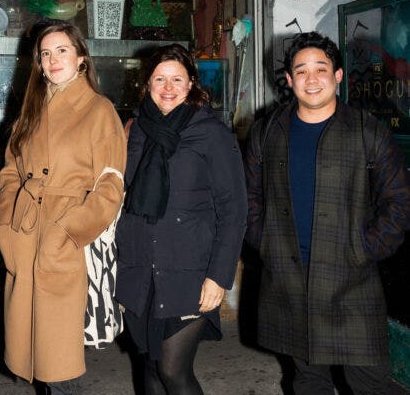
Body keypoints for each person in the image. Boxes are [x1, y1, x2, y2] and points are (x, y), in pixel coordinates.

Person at [244, 31, 410, 394]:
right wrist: (267, 242)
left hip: (352, 283)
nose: (311, 79)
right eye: (301, 71)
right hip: (289, 281)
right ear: (289, 80)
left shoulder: (368, 132)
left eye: (321, 69)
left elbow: (398, 203)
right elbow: (249, 199)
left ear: (338, 76)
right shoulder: (267, 132)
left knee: (371, 383)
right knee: (307, 381)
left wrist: (363, 249)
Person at [0, 23, 126, 394]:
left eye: (62, 50)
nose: (53, 60)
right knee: (35, 357)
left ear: (81, 58)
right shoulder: (30, 110)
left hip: (67, 242)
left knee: (61, 365)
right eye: (45, 53)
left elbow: (110, 185)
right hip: (25, 235)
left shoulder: (100, 110)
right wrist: (4, 226)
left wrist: (67, 233)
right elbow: (9, 174)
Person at [115, 44, 247, 394]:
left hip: (189, 272)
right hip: (140, 267)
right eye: (160, 78)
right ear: (147, 84)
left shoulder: (212, 133)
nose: (168, 87)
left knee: (174, 369)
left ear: (192, 84)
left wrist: (219, 277)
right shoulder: (135, 130)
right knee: (150, 368)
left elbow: (234, 210)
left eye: (177, 78)